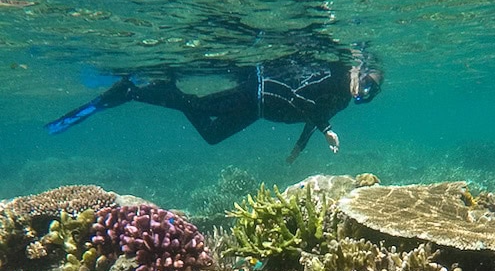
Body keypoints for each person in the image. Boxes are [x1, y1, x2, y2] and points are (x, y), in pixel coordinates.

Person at [45, 52, 383, 163]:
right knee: (196, 105)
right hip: (257, 93)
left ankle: (170, 93)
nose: (363, 91)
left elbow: (315, 116)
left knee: (210, 134)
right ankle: (133, 91)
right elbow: (301, 98)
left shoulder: (342, 98)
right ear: (358, 70)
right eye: (365, 82)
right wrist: (325, 129)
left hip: (258, 110)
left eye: (370, 92)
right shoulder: (331, 73)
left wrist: (300, 146)